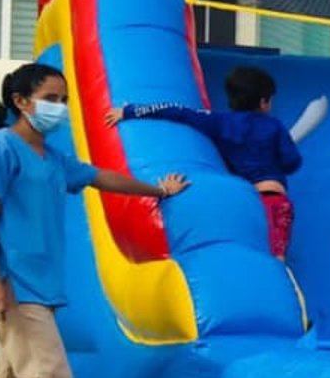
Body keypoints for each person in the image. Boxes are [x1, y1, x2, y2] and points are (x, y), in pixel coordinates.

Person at [0, 63, 188, 378]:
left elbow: (102, 177)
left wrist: (158, 191)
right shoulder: (0, 146)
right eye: (50, 99)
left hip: (41, 285)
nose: (59, 108)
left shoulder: (54, 158)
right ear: (20, 101)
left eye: (64, 100)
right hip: (12, 284)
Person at [106, 64, 301, 259]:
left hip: (242, 201)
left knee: (246, 252)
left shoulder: (219, 122)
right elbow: (292, 162)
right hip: (273, 198)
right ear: (264, 102)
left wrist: (130, 111)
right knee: (275, 258)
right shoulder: (273, 126)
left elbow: (177, 111)